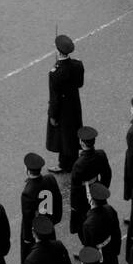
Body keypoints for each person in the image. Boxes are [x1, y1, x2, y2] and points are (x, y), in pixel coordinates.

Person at [47, 33, 85, 174]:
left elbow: (54, 97)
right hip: (74, 104)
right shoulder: (77, 65)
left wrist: (53, 114)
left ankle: (64, 164)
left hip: (62, 109)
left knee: (63, 136)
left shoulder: (55, 73)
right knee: (73, 132)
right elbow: (80, 84)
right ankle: (74, 161)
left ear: (58, 52)